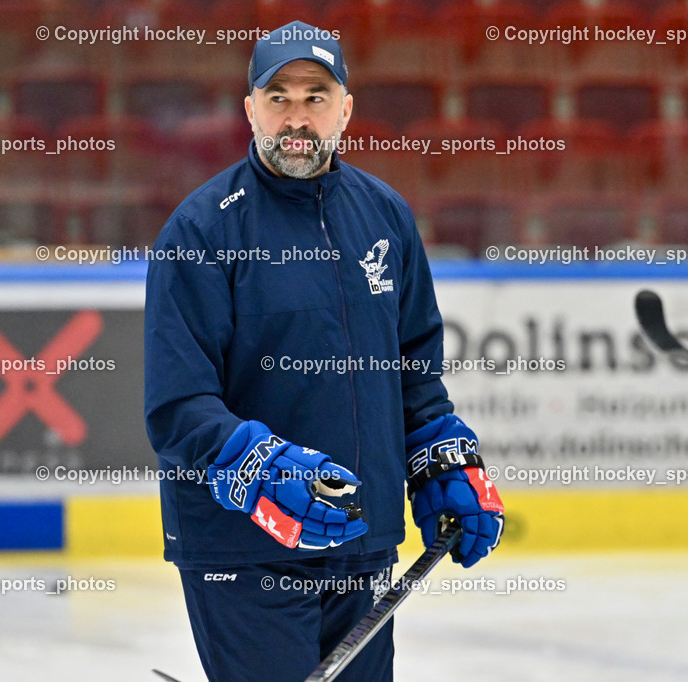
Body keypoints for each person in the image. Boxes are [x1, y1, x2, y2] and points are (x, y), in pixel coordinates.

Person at [144, 22, 504, 682]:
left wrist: (440, 459)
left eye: (316, 96)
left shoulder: (386, 216)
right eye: (278, 97)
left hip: (362, 545)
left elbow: (415, 376)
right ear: (249, 108)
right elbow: (177, 406)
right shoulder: (201, 229)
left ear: (345, 108)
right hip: (242, 555)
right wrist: (260, 465)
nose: (296, 117)